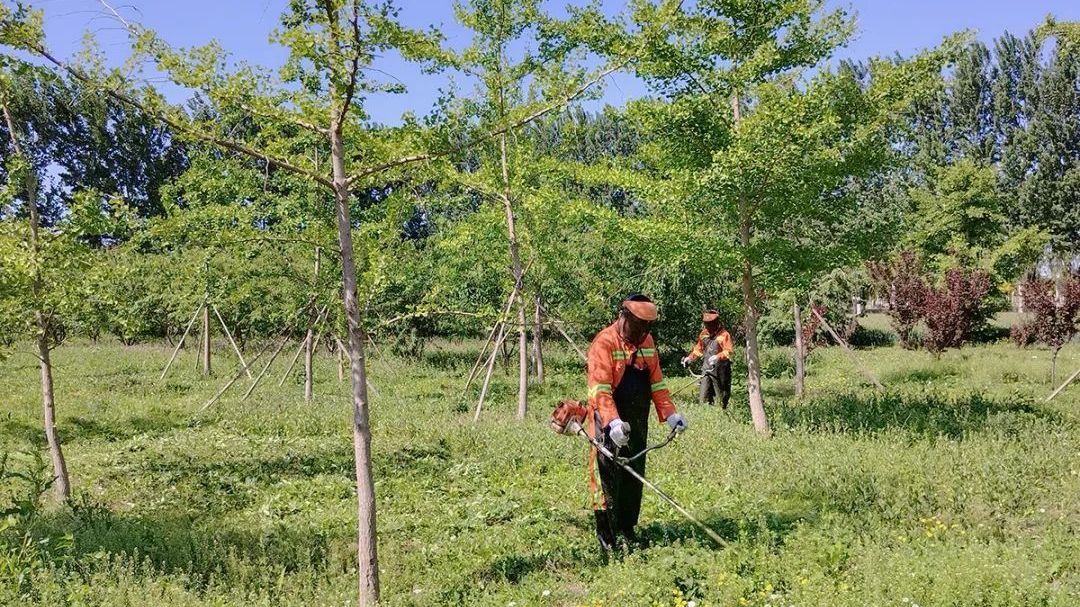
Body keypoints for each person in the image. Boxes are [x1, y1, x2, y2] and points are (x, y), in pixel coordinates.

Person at [586, 293, 687, 551]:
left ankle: (627, 530)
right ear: (624, 316)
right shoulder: (604, 343)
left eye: (648, 327)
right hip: (607, 421)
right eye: (639, 325)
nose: (643, 332)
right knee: (607, 477)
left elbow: (657, 383)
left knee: (634, 476)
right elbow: (600, 390)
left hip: (637, 420)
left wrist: (670, 415)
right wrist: (613, 422)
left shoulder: (647, 342)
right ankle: (607, 537)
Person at [681, 310, 734, 408]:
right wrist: (689, 358)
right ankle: (706, 413)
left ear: (716, 323)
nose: (708, 327)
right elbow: (698, 349)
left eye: (710, 324)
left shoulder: (724, 334)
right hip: (707, 369)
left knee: (720, 398)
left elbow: (729, 351)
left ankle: (721, 415)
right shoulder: (704, 334)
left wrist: (718, 357)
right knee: (703, 396)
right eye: (706, 324)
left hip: (720, 370)